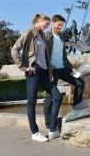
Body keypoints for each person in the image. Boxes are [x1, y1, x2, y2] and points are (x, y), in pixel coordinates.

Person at [11, 14, 62, 142]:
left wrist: (50, 70)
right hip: (33, 70)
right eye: (46, 24)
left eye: (48, 25)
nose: (47, 27)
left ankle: (52, 129)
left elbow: (46, 56)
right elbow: (14, 49)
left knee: (57, 96)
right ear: (39, 21)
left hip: (44, 71)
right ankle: (35, 132)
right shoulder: (28, 33)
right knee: (32, 101)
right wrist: (24, 67)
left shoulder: (43, 36)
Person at [44, 14, 85, 131]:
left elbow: (64, 56)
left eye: (62, 25)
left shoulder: (61, 37)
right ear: (53, 22)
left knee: (80, 82)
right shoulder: (47, 36)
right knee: (50, 97)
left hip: (64, 68)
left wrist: (72, 68)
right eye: (58, 25)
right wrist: (48, 66)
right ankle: (48, 123)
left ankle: (76, 111)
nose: (60, 27)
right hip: (52, 70)